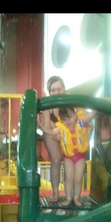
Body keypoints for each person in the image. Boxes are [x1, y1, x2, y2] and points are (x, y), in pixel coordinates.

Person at [53, 105, 97, 207]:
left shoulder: (80, 122)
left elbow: (90, 117)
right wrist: (54, 137)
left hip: (80, 156)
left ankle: (76, 198)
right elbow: (52, 133)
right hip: (68, 157)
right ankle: (68, 198)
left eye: (70, 117)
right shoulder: (62, 127)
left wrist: (96, 107)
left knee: (78, 178)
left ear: (75, 115)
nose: (68, 121)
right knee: (68, 177)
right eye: (64, 119)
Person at [37, 75, 66, 203]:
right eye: (53, 90)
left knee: (71, 159)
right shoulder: (48, 105)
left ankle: (70, 192)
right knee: (56, 159)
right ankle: (55, 192)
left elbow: (76, 120)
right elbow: (47, 127)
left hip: (65, 133)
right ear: (49, 92)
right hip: (49, 133)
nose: (56, 92)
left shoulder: (69, 103)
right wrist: (55, 136)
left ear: (64, 89)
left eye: (59, 89)